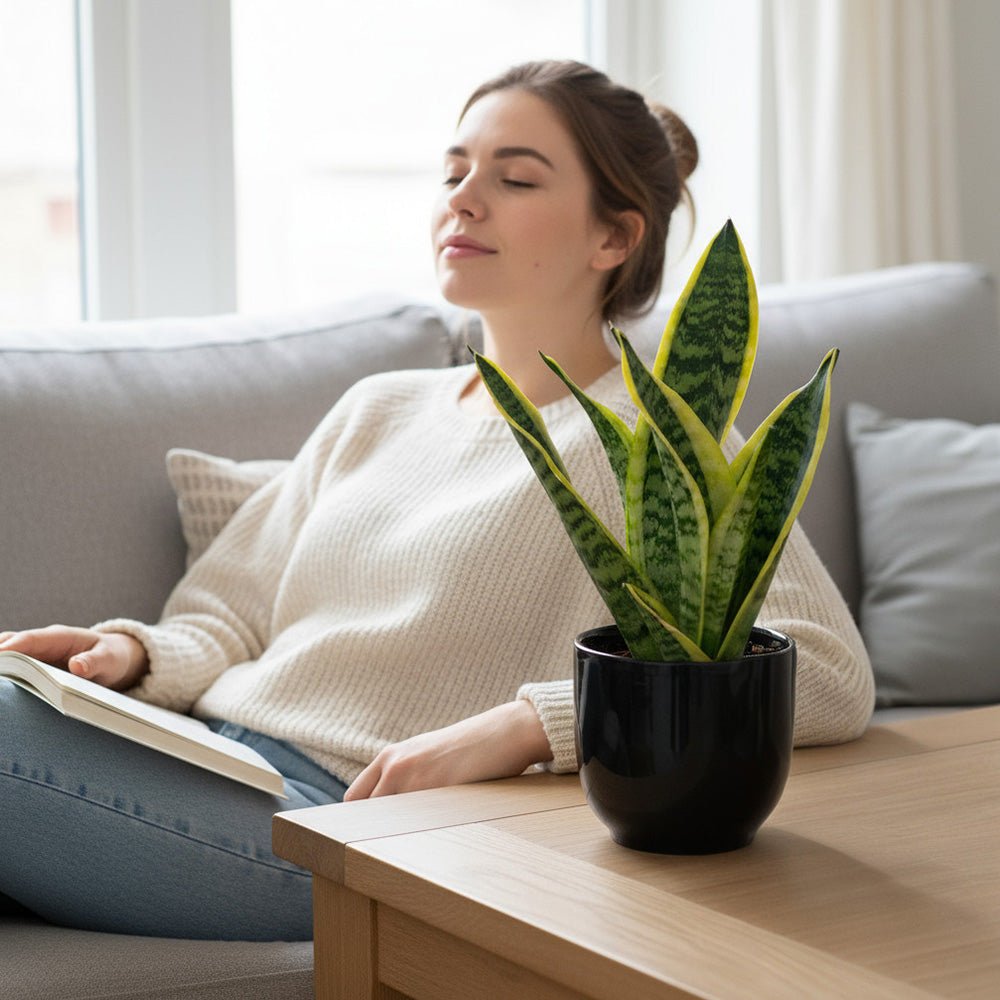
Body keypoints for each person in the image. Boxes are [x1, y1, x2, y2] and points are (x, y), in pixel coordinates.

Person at [0, 60, 875, 940]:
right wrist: (126, 654)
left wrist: (531, 725)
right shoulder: (379, 407)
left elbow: (828, 672)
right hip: (206, 758)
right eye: (454, 172)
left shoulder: (650, 445)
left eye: (515, 177)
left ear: (613, 238)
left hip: (353, 825)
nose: (464, 199)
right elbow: (227, 614)